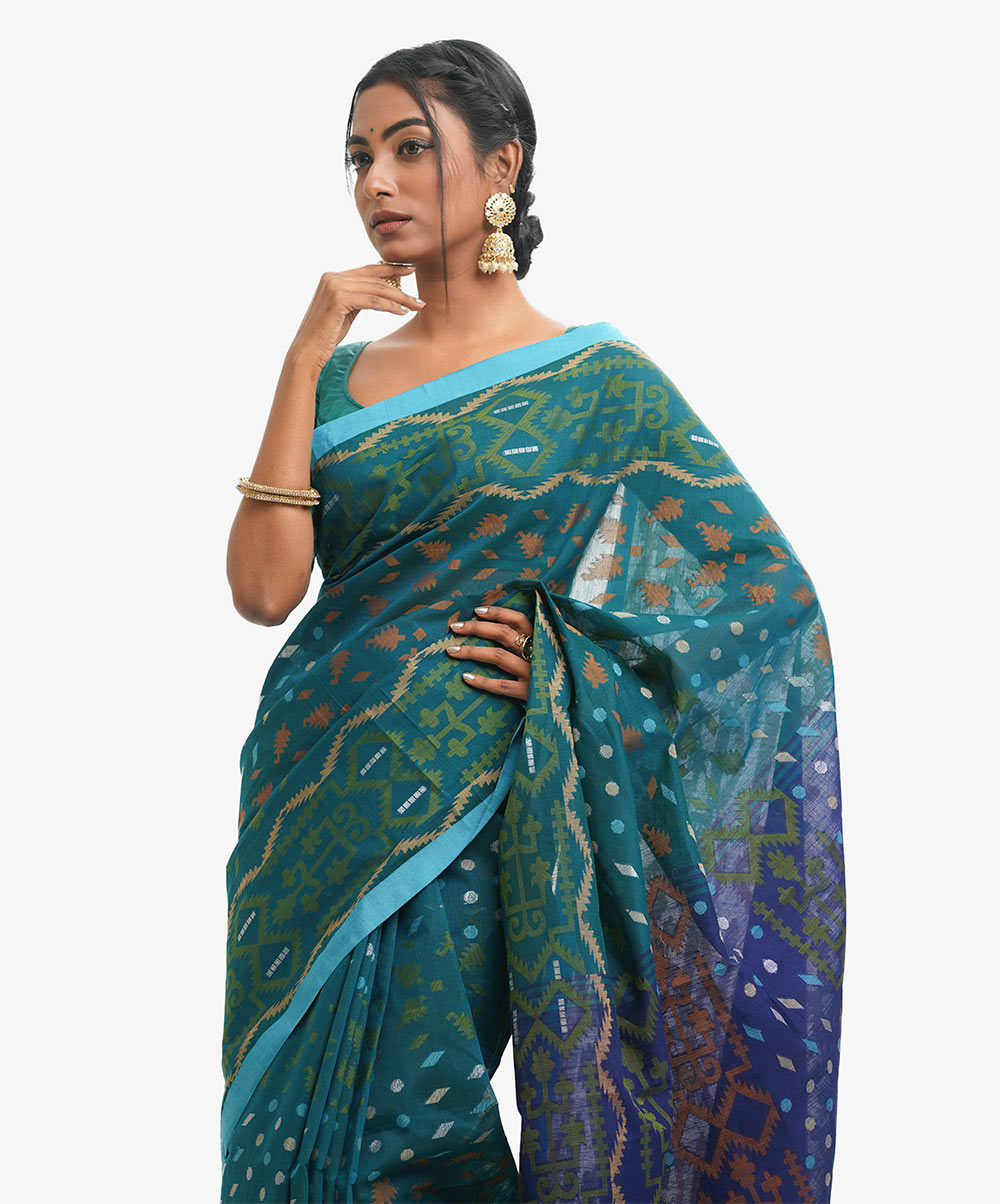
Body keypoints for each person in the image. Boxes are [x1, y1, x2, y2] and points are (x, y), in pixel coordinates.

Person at [221, 38, 847, 1204]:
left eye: (411, 148)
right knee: (281, 1126)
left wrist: (567, 654)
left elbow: (762, 599)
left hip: (466, 801)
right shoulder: (333, 379)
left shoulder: (598, 378)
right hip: (304, 807)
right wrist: (304, 352)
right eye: (357, 157)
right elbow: (263, 592)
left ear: (501, 165)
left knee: (416, 1131)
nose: (376, 182)